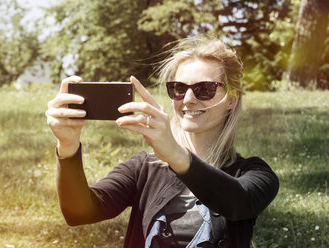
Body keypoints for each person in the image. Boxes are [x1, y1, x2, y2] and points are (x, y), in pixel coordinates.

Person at [46, 36, 279, 248]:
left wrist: (175, 154)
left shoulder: (254, 173)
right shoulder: (144, 167)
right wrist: (67, 148)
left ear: (231, 100)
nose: (188, 99)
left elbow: (237, 202)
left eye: (204, 89)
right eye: (178, 88)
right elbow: (79, 212)